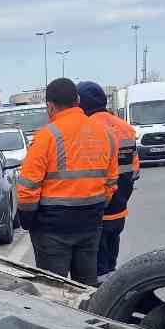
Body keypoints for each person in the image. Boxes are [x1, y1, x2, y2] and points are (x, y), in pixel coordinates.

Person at [12, 77, 117, 286]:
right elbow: (111, 182)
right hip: (90, 223)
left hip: (52, 228)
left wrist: (28, 219)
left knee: (53, 288)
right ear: (77, 101)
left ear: (50, 106)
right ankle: (89, 317)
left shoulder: (47, 137)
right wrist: (95, 207)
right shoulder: (105, 134)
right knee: (86, 285)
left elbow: (27, 187)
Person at [78, 80, 137, 278]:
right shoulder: (126, 128)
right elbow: (134, 170)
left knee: (97, 269)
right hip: (120, 208)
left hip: (96, 210)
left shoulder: (87, 129)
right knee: (111, 263)